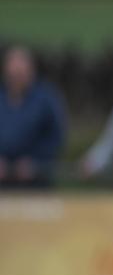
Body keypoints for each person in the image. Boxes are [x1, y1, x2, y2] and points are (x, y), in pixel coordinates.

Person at [0, 46, 66, 188]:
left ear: (31, 71)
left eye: (20, 74)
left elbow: (56, 136)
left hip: (36, 183)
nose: (16, 79)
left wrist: (35, 162)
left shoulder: (46, 99)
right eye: (12, 75)